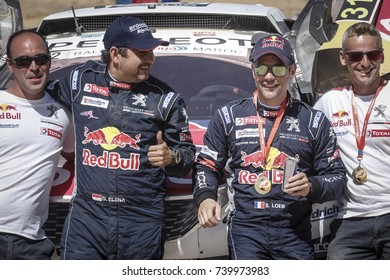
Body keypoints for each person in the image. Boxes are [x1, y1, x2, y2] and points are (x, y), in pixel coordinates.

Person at [47, 16, 196, 260]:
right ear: (115, 54)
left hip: (141, 219)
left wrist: (172, 157)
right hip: (88, 216)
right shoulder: (79, 80)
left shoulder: (166, 99)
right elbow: (36, 99)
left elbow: (187, 158)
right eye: (142, 52)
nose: (150, 59)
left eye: (151, 52)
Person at [193, 34, 346, 260]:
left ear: (292, 72)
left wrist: (311, 186)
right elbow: (206, 166)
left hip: (294, 231)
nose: (270, 77)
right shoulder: (228, 117)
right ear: (253, 70)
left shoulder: (313, 121)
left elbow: (337, 178)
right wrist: (206, 197)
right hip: (246, 230)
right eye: (262, 68)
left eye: (279, 69)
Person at [314, 22, 390, 260]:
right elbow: (298, 138)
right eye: (356, 56)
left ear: (382, 56)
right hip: (349, 220)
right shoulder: (329, 102)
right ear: (343, 58)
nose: (365, 63)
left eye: (373, 54)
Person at [0, 30, 74, 260]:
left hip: (31, 241)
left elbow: (78, 155)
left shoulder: (62, 114)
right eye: (23, 61)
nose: (34, 67)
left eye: (41, 59)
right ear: (10, 66)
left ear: (49, 62)